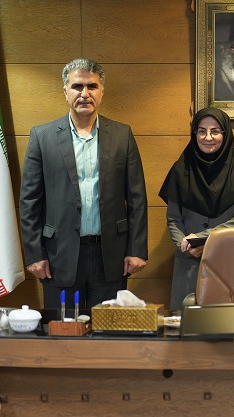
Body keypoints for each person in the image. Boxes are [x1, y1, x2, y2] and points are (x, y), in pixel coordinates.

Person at [19, 58, 148, 309]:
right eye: (77, 86)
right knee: (63, 328)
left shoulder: (122, 135)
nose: (85, 93)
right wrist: (35, 254)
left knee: (106, 330)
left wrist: (137, 249)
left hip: (111, 255)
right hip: (58, 256)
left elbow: (137, 198)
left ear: (102, 92)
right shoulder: (42, 137)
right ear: (65, 91)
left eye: (92, 86)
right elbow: (29, 202)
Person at [159, 108, 234, 310]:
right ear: (194, 133)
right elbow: (174, 219)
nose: (208, 137)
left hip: (228, 262)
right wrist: (186, 246)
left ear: (225, 134)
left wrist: (206, 239)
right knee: (186, 322)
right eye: (202, 131)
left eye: (215, 131)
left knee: (227, 322)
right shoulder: (181, 168)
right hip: (188, 262)